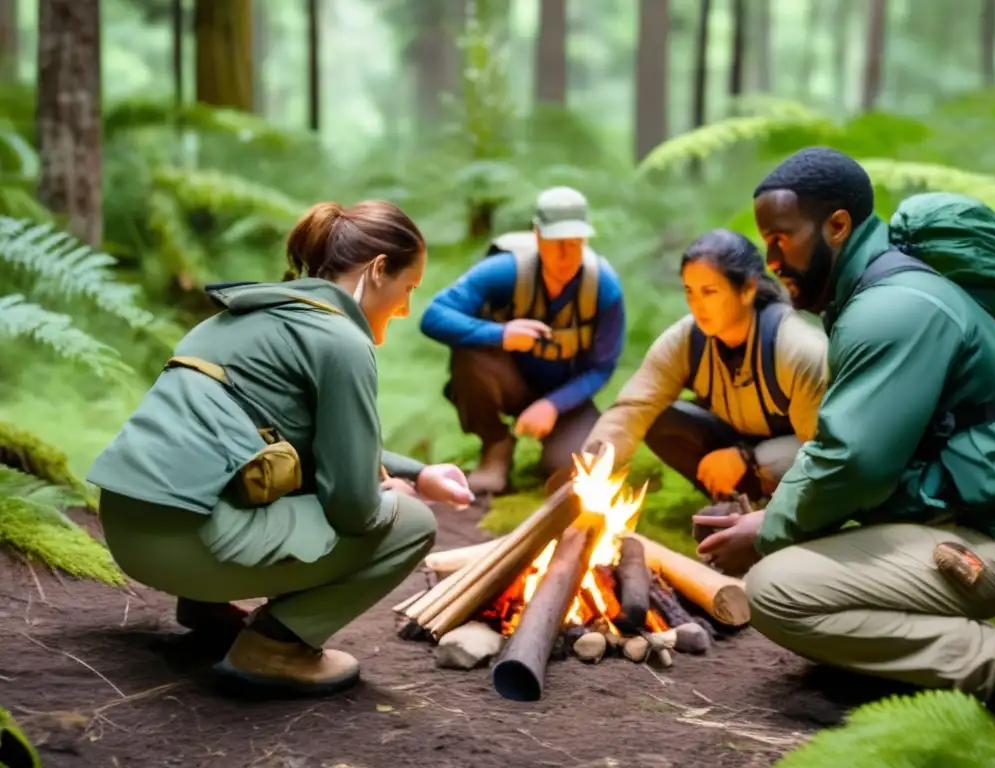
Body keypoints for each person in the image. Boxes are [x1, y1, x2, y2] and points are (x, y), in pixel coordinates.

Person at [693, 147, 995, 729]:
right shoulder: (879, 295)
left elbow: (855, 462)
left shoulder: (889, 310)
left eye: (781, 239)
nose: (770, 259)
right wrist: (778, 515)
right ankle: (902, 659)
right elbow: (844, 446)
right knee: (801, 553)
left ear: (838, 226)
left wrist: (767, 530)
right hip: (968, 510)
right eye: (764, 243)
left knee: (776, 589)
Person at [87, 201, 474, 697]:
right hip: (188, 549)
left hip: (128, 532)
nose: (404, 308)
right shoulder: (340, 341)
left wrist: (418, 473)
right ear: (379, 270)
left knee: (267, 469)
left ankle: (206, 609)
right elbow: (353, 509)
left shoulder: (244, 316)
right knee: (412, 524)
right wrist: (396, 498)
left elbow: (291, 437)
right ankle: (274, 649)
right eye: (408, 289)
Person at [583, 229, 829, 503]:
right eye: (690, 291)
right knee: (659, 419)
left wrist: (748, 458)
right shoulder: (686, 340)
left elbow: (825, 449)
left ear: (748, 289)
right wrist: (592, 464)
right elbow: (634, 407)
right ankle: (732, 502)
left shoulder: (798, 349)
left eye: (709, 292)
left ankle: (779, 511)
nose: (698, 306)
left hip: (801, 453)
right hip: (737, 436)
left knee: (804, 459)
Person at [419, 186, 626, 495]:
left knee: (576, 469)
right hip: (506, 380)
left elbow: (602, 367)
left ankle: (551, 452)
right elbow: (433, 316)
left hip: (566, 398)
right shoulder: (505, 271)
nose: (566, 254)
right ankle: (495, 445)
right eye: (556, 242)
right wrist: (501, 335)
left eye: (575, 242)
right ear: (537, 234)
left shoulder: (604, 288)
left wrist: (552, 405)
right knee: (469, 350)